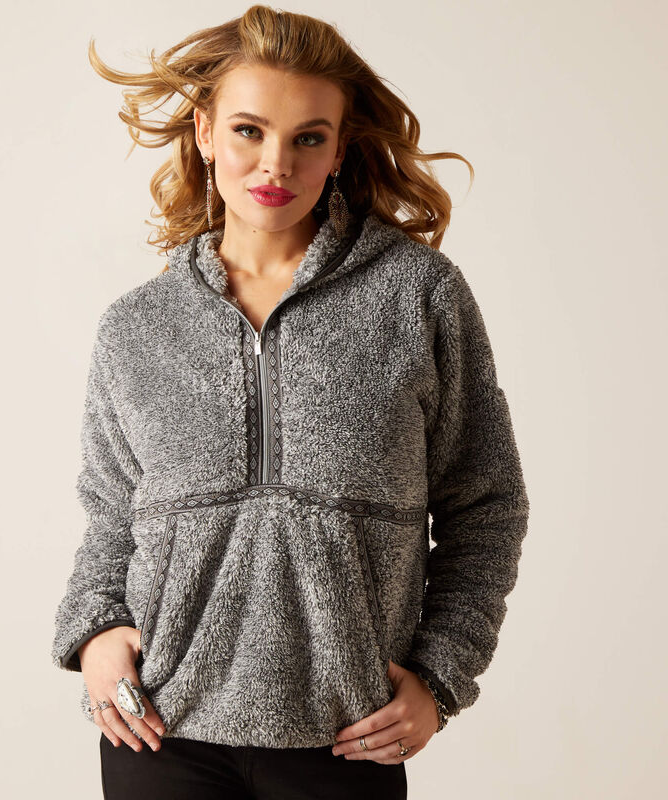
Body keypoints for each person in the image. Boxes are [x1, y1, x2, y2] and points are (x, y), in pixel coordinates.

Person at [50, 6, 530, 799]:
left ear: (339, 149)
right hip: (159, 735)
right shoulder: (137, 326)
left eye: (309, 137)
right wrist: (97, 631)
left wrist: (442, 676)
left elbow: (486, 504)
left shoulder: (419, 296)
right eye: (249, 130)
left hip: (347, 743)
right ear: (205, 132)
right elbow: (110, 517)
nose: (276, 163)